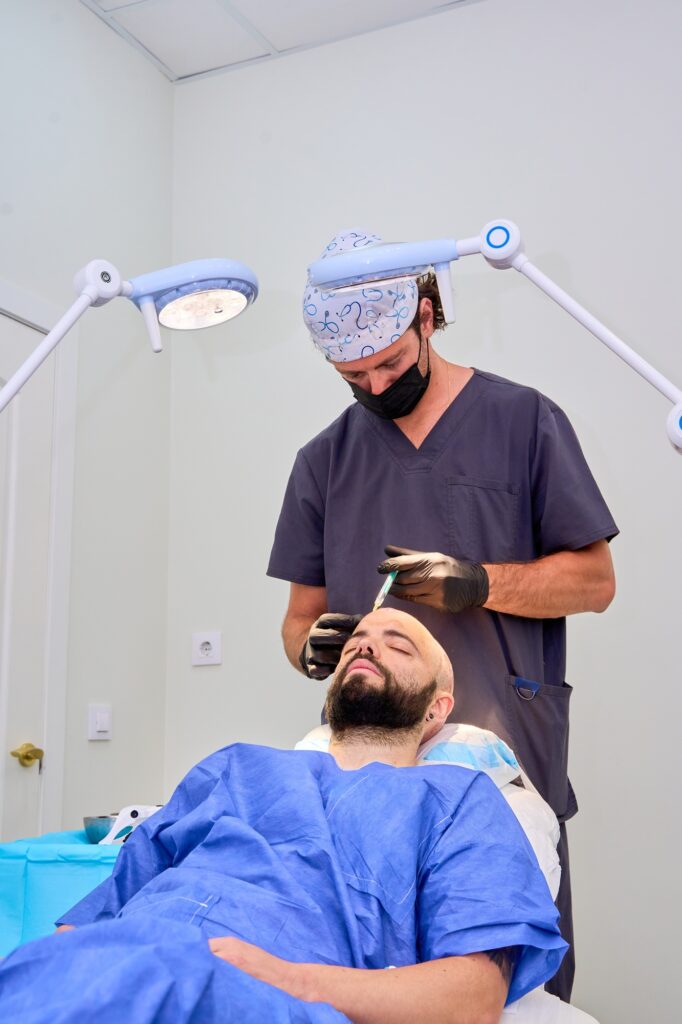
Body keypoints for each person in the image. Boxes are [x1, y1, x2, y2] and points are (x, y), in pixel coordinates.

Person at [267, 228, 619, 1001]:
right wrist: (312, 648)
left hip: (504, 748)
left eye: (390, 363)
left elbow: (595, 581)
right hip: (375, 763)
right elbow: (299, 624)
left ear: (428, 314)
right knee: (372, 954)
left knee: (504, 963)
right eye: (352, 375)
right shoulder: (322, 462)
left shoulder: (524, 422)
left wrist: (479, 584)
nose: (374, 385)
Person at [0, 610, 566, 1024]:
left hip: (261, 996)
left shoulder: (459, 798)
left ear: (437, 709)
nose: (364, 647)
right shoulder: (234, 767)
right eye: (356, 643)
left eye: (398, 645)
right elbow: (90, 920)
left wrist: (286, 977)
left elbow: (471, 999)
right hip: (99, 969)